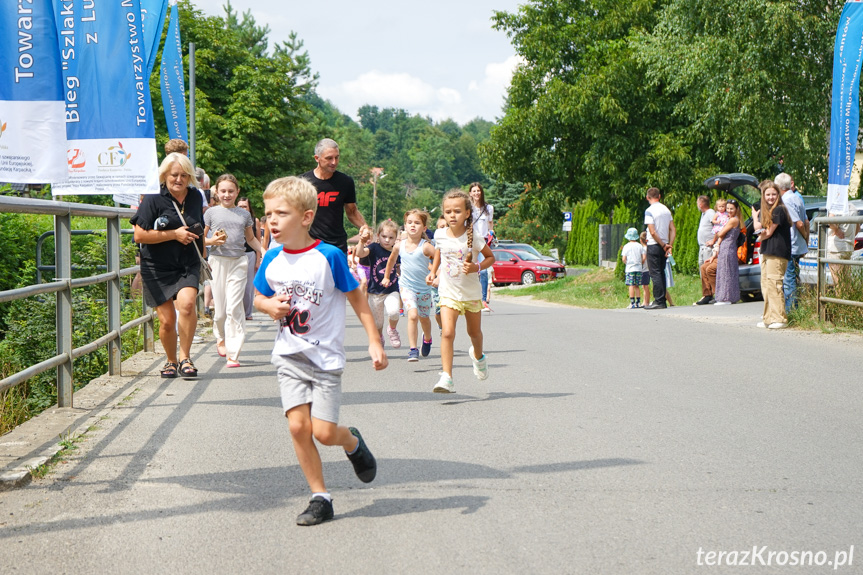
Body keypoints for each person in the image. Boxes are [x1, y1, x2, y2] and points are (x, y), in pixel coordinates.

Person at [253, 176, 387, 526]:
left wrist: (374, 339)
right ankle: (320, 497)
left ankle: (352, 442)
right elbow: (257, 296)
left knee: (324, 433)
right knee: (298, 427)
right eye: (268, 214)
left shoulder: (328, 256)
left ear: (306, 216)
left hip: (325, 360)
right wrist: (268, 306)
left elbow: (356, 298)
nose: (272, 221)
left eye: (281, 213)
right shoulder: (271, 258)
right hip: (289, 356)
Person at [131, 153, 204, 379]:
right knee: (166, 320)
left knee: (188, 304)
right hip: (157, 266)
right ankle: (170, 360)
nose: (179, 179)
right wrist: (174, 234)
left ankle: (185, 357)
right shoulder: (153, 198)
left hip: (187, 263)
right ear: (164, 175)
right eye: (174, 175)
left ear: (190, 177)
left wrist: (203, 254)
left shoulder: (194, 197)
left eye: (184, 175)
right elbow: (139, 235)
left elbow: (199, 227)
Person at [426, 189, 496, 393]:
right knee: (447, 333)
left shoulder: (473, 237)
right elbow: (439, 251)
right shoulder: (439, 234)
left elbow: (490, 257)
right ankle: (446, 377)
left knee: (474, 333)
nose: (452, 215)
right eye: (448, 212)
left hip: (471, 294)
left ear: (467, 213)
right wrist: (434, 271)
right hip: (448, 292)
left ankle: (479, 356)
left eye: (457, 211)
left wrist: (477, 267)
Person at [204, 175, 263, 367]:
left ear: (237, 192)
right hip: (218, 262)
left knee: (234, 308)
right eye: (223, 191)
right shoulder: (211, 213)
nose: (227, 195)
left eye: (231, 191)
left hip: (239, 262)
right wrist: (212, 241)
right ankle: (220, 337)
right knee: (220, 311)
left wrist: (264, 251)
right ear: (217, 193)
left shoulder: (244, 215)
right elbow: (201, 239)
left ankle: (233, 353)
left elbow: (251, 239)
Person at [382, 210, 436, 360]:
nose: (413, 225)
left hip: (424, 289)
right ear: (405, 226)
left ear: (424, 228)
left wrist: (434, 274)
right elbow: (391, 260)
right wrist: (387, 276)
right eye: (410, 222)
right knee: (412, 315)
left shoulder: (425, 246)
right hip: (406, 287)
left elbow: (438, 256)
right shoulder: (399, 245)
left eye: (417, 223)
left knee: (424, 318)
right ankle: (413, 349)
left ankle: (428, 338)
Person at [302, 138, 371, 253]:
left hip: (337, 246)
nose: (334, 162)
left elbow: (352, 212)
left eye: (337, 157)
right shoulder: (302, 182)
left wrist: (364, 227)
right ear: (317, 158)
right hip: (309, 245)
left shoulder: (345, 182)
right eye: (329, 158)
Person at [355, 220, 402, 348]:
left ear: (396, 239)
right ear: (377, 236)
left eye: (391, 237)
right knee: (377, 323)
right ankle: (380, 336)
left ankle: (392, 330)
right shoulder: (374, 248)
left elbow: (399, 268)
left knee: (394, 312)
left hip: (392, 289)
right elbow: (360, 253)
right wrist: (362, 241)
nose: (387, 240)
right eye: (384, 236)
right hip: (375, 291)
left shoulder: (397, 251)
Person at [756, 180, 792, 329]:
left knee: (774, 284)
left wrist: (760, 237)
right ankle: (769, 318)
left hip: (777, 252)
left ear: (778, 195)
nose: (770, 197)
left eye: (773, 194)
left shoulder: (779, 210)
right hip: (767, 251)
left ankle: (780, 318)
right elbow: (760, 228)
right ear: (763, 196)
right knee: (766, 285)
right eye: (767, 194)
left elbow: (768, 232)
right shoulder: (768, 211)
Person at [774, 173, 809, 313]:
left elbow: (799, 224)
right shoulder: (797, 197)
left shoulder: (786, 200)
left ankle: (791, 313)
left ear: (778, 186)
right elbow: (806, 221)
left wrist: (804, 236)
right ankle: (797, 310)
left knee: (789, 281)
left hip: (791, 244)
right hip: (798, 245)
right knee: (794, 278)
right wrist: (805, 241)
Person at [643, 187, 675, 309]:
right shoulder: (666, 210)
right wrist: (668, 245)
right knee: (661, 272)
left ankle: (659, 301)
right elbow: (673, 229)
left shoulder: (649, 211)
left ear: (647, 197)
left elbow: (652, 231)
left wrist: (662, 244)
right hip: (665, 245)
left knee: (655, 273)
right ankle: (662, 300)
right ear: (659, 196)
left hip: (654, 245)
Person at [712, 199, 744, 305]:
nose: (729, 210)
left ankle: (726, 297)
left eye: (731, 208)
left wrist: (718, 231)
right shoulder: (733, 219)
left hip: (728, 247)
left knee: (726, 272)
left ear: (736, 209)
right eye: (728, 208)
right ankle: (730, 296)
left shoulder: (733, 220)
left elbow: (721, 233)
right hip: (728, 247)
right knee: (728, 271)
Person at [469, 182, 494, 312]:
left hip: (483, 242)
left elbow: (490, 223)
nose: (476, 193)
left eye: (478, 191)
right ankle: (470, 298)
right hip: (471, 241)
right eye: (474, 191)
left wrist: (491, 232)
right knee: (469, 270)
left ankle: (483, 300)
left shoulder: (488, 208)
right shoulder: (468, 208)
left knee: (484, 271)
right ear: (470, 193)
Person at [826, 203, 860, 292]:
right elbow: (858, 228)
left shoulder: (836, 205)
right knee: (846, 282)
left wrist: (836, 229)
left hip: (836, 248)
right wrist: (850, 237)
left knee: (838, 283)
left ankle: (840, 304)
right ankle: (847, 304)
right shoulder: (853, 207)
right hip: (848, 247)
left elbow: (831, 220)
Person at [237, 197, 261, 320]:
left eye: (245, 206)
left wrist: (258, 260)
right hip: (236, 255)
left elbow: (257, 240)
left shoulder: (254, 220)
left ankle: (247, 313)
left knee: (248, 287)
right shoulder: (234, 218)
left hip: (250, 254)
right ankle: (238, 312)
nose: (242, 209)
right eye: (240, 206)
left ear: (249, 208)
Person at [696, 195, 717, 290]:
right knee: (702, 271)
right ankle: (706, 292)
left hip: (708, 248)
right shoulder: (704, 214)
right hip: (702, 247)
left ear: (700, 204)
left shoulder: (710, 213)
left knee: (707, 269)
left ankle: (710, 292)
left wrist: (713, 240)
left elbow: (718, 227)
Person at [621, 227, 645, 308]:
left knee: (631, 285)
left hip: (630, 268)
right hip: (639, 268)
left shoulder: (626, 246)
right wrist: (640, 263)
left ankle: (632, 303)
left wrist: (627, 263)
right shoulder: (639, 246)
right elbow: (644, 257)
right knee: (637, 285)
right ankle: (638, 302)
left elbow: (624, 258)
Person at [639, 232, 652, 307]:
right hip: (649, 268)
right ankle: (645, 301)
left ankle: (646, 301)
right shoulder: (649, 248)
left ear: (641, 240)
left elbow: (643, 259)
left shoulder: (643, 249)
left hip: (645, 269)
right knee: (645, 286)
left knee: (645, 286)